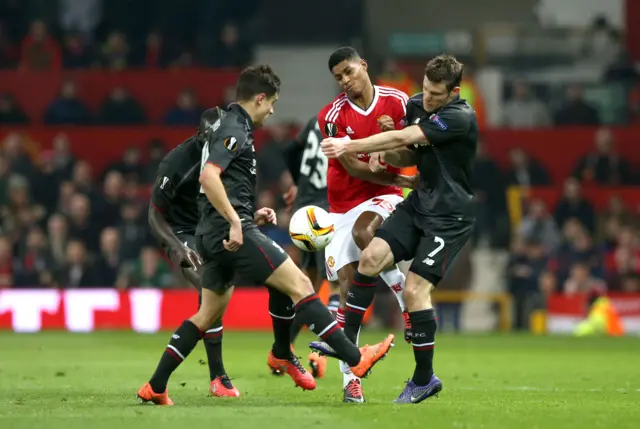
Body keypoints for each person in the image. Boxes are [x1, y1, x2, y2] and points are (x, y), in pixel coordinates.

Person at [137, 65, 395, 406]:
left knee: (206, 314)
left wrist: (246, 213)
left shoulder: (232, 126)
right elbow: (209, 179)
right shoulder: (233, 128)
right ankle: (353, 358)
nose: (272, 110)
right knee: (302, 285)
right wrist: (234, 221)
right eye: (271, 102)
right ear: (259, 98)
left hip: (215, 232)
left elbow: (217, 183)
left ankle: (155, 385)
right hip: (230, 234)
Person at [318, 54, 478, 404]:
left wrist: (354, 145)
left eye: (436, 94)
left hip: (449, 216)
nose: (428, 99)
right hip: (419, 202)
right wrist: (389, 151)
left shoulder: (460, 116)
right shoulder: (417, 103)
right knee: (371, 255)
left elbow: (409, 135)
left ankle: (424, 378)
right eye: (425, 90)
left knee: (416, 291)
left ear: (453, 91)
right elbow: (408, 153)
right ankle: (346, 344)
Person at [315, 47, 417, 403]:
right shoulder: (330, 116)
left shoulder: (398, 102)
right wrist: (405, 180)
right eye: (338, 77)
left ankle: (406, 304)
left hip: (382, 195)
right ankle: (350, 382)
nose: (345, 81)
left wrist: (390, 151)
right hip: (341, 205)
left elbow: (410, 152)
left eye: (348, 72)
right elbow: (353, 167)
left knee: (365, 234)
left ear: (364, 66)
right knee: (346, 291)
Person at [147, 106, 240, 397]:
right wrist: (176, 246)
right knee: (207, 282)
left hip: (209, 227)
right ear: (201, 136)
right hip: (179, 231)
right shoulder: (177, 162)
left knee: (217, 286)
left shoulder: (229, 151)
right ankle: (218, 377)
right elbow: (154, 214)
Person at [280, 116, 336, 379]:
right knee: (338, 284)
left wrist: (298, 183)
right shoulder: (348, 120)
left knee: (309, 283)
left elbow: (291, 150)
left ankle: (283, 350)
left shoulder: (315, 120)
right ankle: (320, 354)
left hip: (304, 209)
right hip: (327, 211)